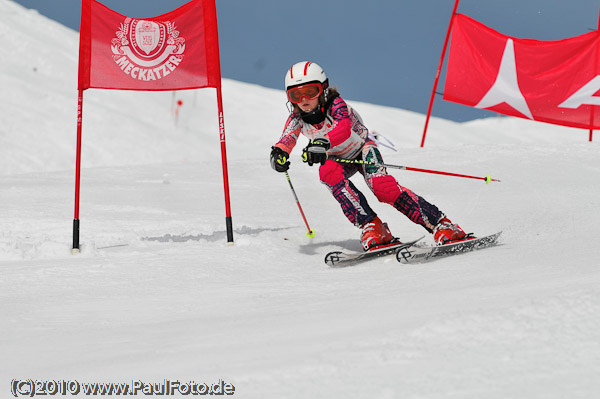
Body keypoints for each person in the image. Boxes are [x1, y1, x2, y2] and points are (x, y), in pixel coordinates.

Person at [270, 61, 469, 251]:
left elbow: (344, 128)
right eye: (295, 94)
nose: (303, 99)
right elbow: (288, 138)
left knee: (384, 189)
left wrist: (322, 143)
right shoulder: (296, 117)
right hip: (337, 158)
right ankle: (372, 226)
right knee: (327, 171)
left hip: (362, 150)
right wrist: (279, 152)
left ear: (323, 88)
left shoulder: (335, 104)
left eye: (310, 91)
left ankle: (441, 224)